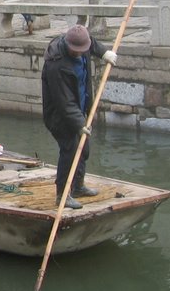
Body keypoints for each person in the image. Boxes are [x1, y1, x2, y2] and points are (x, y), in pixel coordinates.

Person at [41, 24, 117, 210]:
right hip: (60, 116)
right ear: (68, 45)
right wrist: (78, 123)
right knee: (71, 150)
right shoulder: (56, 64)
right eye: (76, 51)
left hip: (79, 109)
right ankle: (63, 195)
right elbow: (64, 102)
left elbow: (90, 43)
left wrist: (103, 53)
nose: (80, 53)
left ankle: (78, 187)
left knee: (84, 149)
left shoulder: (81, 42)